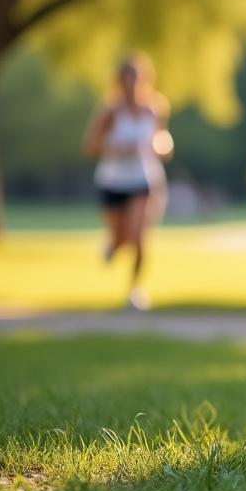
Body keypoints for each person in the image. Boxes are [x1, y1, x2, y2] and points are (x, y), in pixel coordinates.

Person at [82, 55, 173, 310]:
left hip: (144, 179)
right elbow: (89, 145)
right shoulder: (110, 111)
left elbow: (163, 139)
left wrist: (161, 146)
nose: (132, 83)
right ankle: (114, 244)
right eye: (127, 78)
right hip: (113, 181)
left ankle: (134, 290)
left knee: (140, 236)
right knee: (122, 238)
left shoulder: (155, 108)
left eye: (137, 77)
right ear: (120, 81)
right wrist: (114, 148)